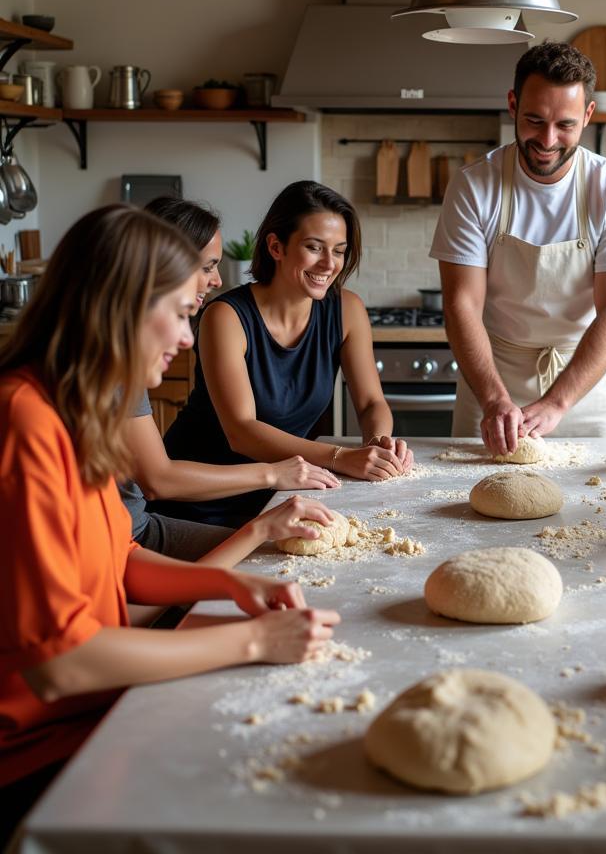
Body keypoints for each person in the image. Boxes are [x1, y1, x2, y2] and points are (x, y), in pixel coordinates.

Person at [0, 206, 339, 845]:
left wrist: (233, 587)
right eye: (182, 314)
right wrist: (254, 642)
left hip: (100, 710)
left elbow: (117, 558)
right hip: (35, 753)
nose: (187, 338)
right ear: (123, 309)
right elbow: (62, 663)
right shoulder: (25, 421)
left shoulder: (77, 411)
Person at [431, 41, 606, 454]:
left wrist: (557, 402)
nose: (548, 140)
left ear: (588, 114)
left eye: (565, 124)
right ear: (513, 104)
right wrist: (496, 399)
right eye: (534, 120)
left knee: (603, 510)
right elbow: (461, 305)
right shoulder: (474, 186)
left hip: (588, 389)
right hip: (493, 383)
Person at [155, 180, 413, 528]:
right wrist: (341, 457)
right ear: (276, 246)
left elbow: (370, 403)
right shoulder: (225, 316)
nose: (329, 264)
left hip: (285, 491)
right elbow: (242, 431)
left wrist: (378, 445)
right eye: (314, 247)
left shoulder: (347, 310)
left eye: (339, 251)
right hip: (201, 502)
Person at [116, 196, 340, 562]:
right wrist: (272, 476)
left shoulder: (123, 352)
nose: (218, 280)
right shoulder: (114, 360)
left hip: (141, 531)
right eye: (208, 267)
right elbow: (157, 481)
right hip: (142, 537)